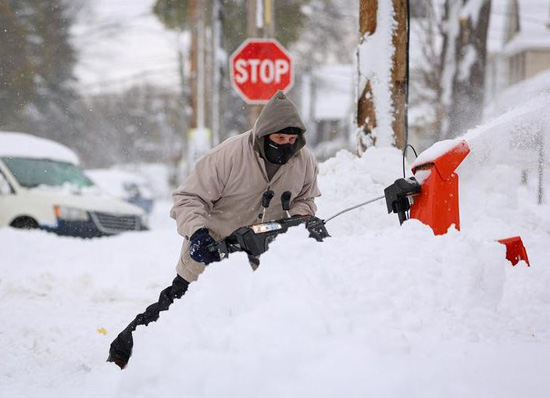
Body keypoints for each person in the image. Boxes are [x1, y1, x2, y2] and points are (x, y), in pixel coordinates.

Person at [107, 90, 322, 369]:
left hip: (264, 260)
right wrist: (198, 234)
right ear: (264, 135)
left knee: (246, 319)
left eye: (292, 140)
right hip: (211, 251)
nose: (286, 146)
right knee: (174, 309)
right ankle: (122, 351)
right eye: (280, 139)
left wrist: (303, 220)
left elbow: (305, 198)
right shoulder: (228, 156)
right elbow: (188, 198)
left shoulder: (304, 160)